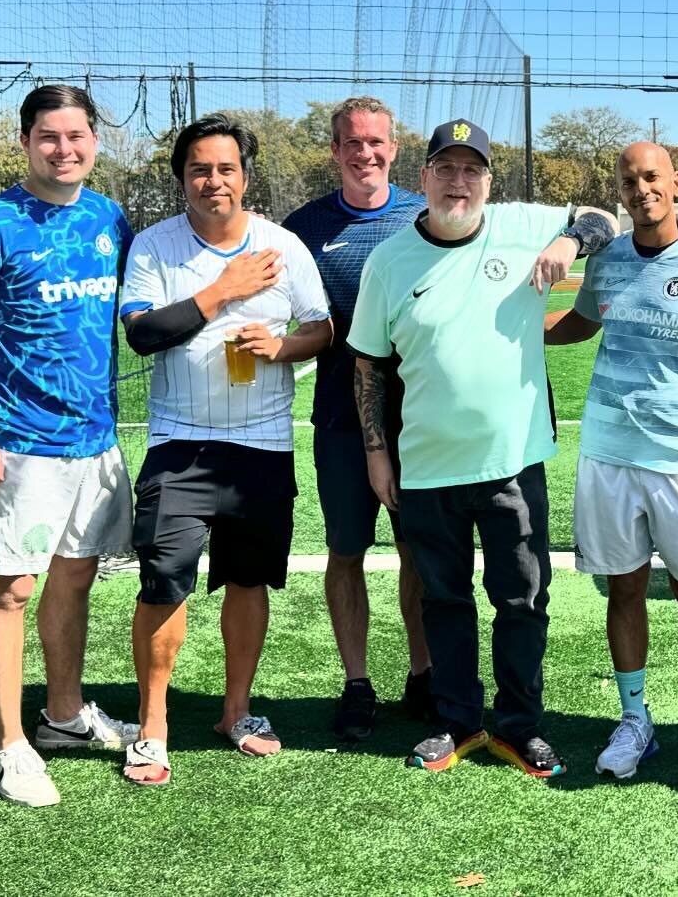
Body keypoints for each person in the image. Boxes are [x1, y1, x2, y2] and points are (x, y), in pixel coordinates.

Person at [347, 119, 616, 778]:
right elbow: (366, 364)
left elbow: (603, 217)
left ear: (489, 182)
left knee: (522, 600)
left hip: (512, 462)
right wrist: (377, 453)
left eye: (472, 170)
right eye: (447, 168)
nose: (458, 181)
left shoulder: (523, 225)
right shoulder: (389, 260)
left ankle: (521, 725)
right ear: (425, 177)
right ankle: (457, 720)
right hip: (428, 466)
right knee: (443, 599)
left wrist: (568, 239)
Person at [0, 84, 138, 807]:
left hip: (95, 443)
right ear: (25, 142)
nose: (65, 148)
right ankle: (9, 744)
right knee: (12, 588)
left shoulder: (109, 216)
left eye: (77, 135)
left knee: (75, 579)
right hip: (18, 445)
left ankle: (62, 715)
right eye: (49, 136)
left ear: (94, 140)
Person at [119, 113, 333, 786]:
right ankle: (153, 724)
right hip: (179, 443)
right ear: (182, 177)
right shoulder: (155, 246)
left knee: (249, 581)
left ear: (245, 174)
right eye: (199, 169)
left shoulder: (282, 246)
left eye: (225, 168)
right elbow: (144, 334)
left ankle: (235, 710)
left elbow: (322, 327)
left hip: (262, 445)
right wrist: (222, 292)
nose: (213, 180)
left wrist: (284, 346)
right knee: (164, 580)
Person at [544, 142, 678, 794]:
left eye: (651, 177)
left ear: (674, 184)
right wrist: (516, 327)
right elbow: (583, 323)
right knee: (625, 590)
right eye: (629, 179)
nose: (640, 189)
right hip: (609, 456)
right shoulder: (606, 261)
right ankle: (635, 718)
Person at [283, 96, 431, 739]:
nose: (365, 153)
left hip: (423, 417)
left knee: (416, 551)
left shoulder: (425, 216)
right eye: (351, 142)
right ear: (335, 150)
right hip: (342, 419)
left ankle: (423, 675)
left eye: (376, 142)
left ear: (394, 149)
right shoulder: (302, 227)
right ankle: (356, 683)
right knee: (346, 551)